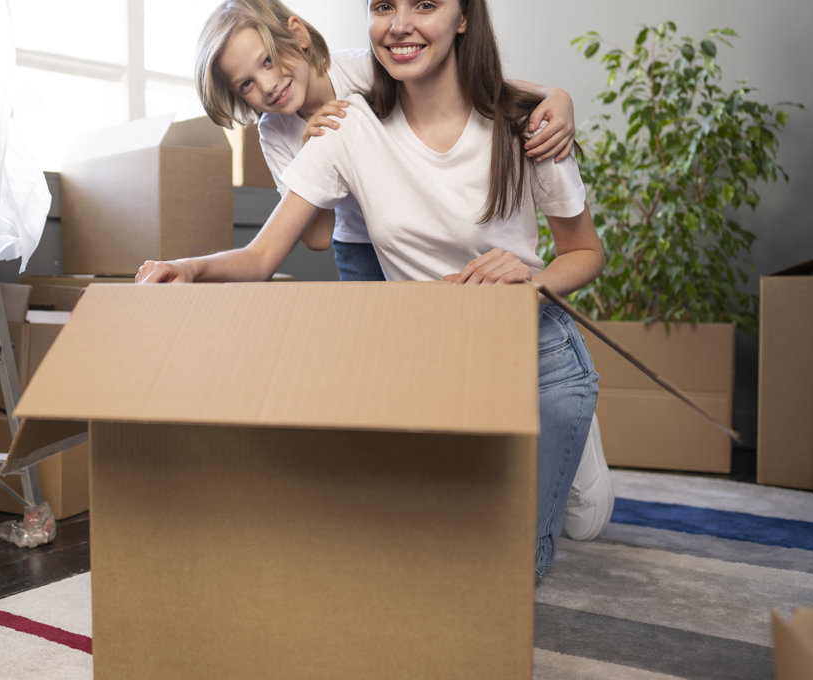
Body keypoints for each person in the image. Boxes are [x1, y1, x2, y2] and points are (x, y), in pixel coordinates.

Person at [146, 0, 605, 578]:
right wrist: (188, 268)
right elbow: (271, 251)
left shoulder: (515, 121)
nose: (401, 25)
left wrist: (533, 280)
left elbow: (583, 246)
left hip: (532, 349)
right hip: (396, 291)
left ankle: (570, 439)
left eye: (426, 5)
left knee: (513, 568)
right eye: (384, 6)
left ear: (463, 17)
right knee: (412, 547)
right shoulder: (337, 127)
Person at [194, 0, 577, 282]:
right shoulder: (275, 132)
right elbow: (316, 238)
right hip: (358, 242)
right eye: (246, 84)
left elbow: (469, 88)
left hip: (414, 227)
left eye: (268, 61)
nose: (268, 86)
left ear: (298, 34)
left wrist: (554, 95)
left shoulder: (365, 69)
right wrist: (312, 155)